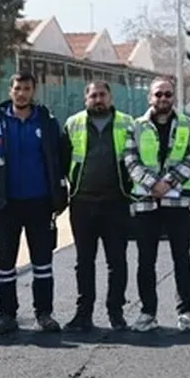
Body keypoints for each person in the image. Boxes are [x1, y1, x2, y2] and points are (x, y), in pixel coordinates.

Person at [0, 72, 65, 335]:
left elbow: (58, 159)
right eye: (18, 88)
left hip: (39, 202)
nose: (22, 93)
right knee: (5, 263)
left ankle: (44, 314)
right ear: (10, 91)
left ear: (33, 91)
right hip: (6, 204)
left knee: (42, 262)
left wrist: (60, 194)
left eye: (27, 89)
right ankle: (6, 315)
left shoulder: (47, 121)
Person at [123, 77, 190, 333]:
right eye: (158, 95)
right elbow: (130, 159)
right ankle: (148, 313)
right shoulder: (136, 126)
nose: (163, 99)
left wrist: (167, 182)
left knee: (182, 259)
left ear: (173, 98)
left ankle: (185, 313)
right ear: (150, 98)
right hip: (146, 203)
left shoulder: (188, 125)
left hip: (176, 201)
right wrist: (151, 185)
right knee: (146, 260)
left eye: (167, 94)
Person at [60, 81, 134, 332]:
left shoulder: (127, 123)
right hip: (83, 202)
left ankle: (116, 312)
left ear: (110, 98)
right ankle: (83, 314)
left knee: (117, 260)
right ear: (86, 99)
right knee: (84, 261)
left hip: (116, 201)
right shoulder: (73, 124)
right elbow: (62, 160)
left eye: (102, 95)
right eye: (93, 96)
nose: (98, 100)